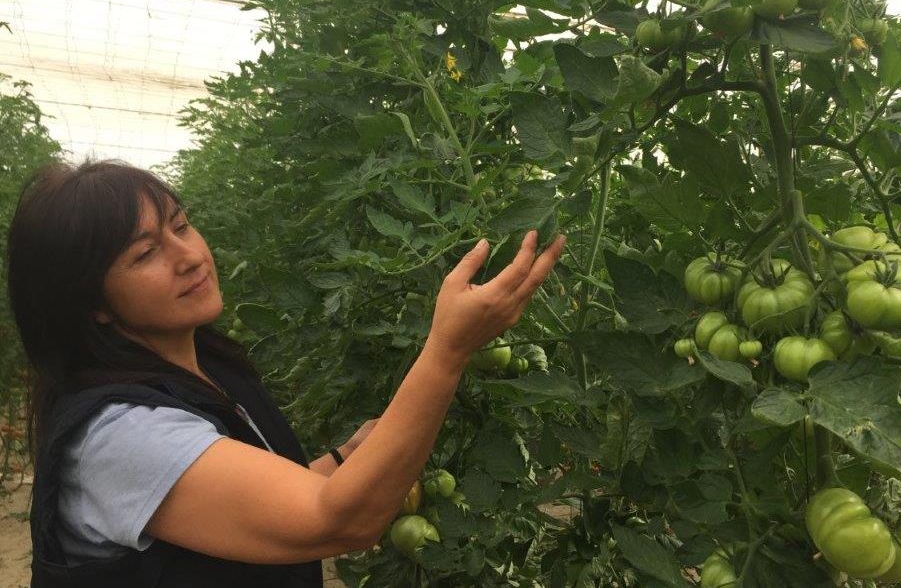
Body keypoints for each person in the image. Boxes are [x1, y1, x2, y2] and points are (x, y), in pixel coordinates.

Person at [5, 159, 566, 587]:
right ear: (92, 303)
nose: (191, 255)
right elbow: (336, 522)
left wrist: (343, 460)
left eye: (181, 225)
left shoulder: (205, 367)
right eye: (146, 253)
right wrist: (447, 352)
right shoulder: (122, 436)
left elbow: (244, 498)